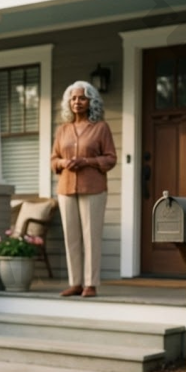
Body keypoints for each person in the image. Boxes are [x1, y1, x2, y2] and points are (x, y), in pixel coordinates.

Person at [51, 81, 117, 298]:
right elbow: (54, 160)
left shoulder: (100, 128)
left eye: (81, 98)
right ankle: (75, 283)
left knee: (91, 236)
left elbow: (110, 159)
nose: (76, 102)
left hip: (93, 188)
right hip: (66, 188)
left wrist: (87, 161)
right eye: (73, 98)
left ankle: (91, 283)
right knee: (71, 237)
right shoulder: (62, 130)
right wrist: (63, 163)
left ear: (91, 101)